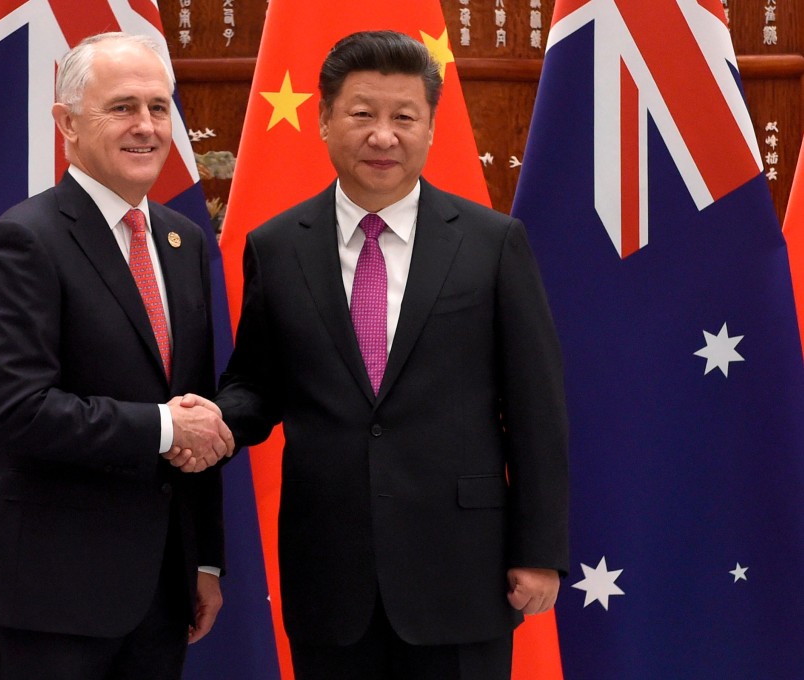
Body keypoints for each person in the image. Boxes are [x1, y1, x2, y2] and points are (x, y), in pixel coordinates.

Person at [209, 30, 569, 679]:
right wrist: (207, 424)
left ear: (430, 127)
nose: (383, 136)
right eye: (362, 114)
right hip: (330, 573)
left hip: (464, 571)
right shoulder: (278, 246)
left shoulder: (492, 244)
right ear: (323, 120)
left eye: (404, 117)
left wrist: (539, 549)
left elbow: (536, 408)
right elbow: (257, 384)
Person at [0, 32, 233, 680]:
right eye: (123, 108)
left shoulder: (183, 241)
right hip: (50, 597)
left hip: (163, 592)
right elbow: (22, 412)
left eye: (160, 108)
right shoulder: (22, 242)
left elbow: (196, 399)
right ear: (67, 124)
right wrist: (165, 427)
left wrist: (205, 559)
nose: (147, 127)